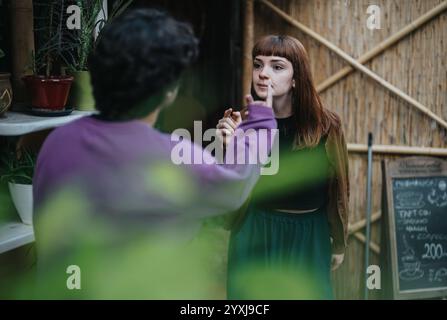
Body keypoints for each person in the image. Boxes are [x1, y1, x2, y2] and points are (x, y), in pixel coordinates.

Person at [31, 9, 276, 298]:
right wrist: (259, 124)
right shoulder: (173, 156)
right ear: (170, 90)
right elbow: (234, 185)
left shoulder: (57, 142)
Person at [216, 35, 350, 299]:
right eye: (258, 65)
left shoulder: (326, 126)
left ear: (296, 78)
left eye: (277, 67)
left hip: (309, 233)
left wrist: (339, 241)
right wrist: (228, 146)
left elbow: (339, 187)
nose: (263, 74)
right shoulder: (240, 123)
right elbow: (229, 188)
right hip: (255, 229)